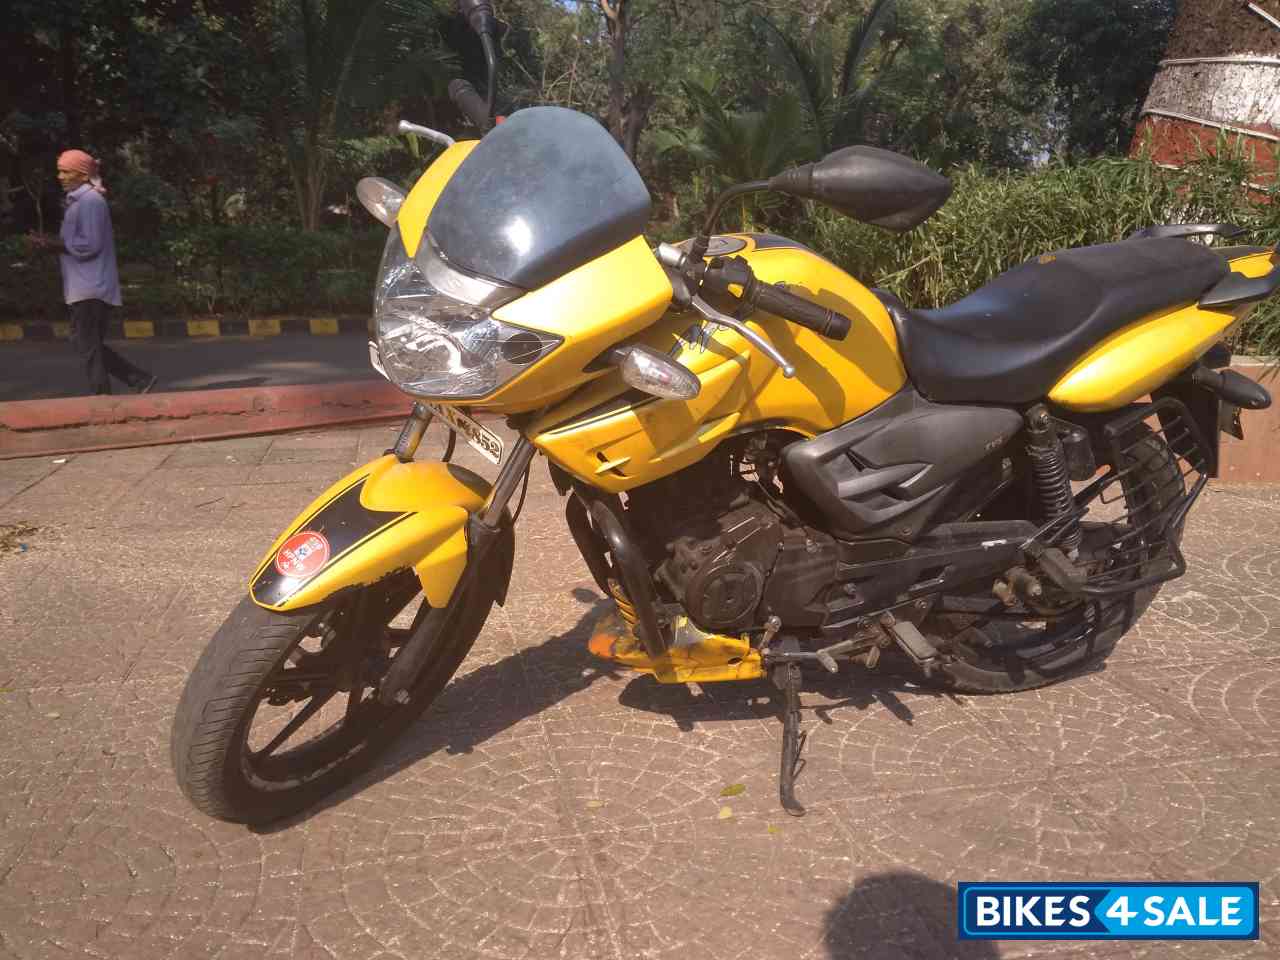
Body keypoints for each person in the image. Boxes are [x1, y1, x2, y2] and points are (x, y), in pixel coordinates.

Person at [29, 150, 156, 395]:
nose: (60, 177)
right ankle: (138, 380)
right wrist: (49, 242)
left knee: (86, 343)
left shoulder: (90, 202)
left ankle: (108, 395)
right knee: (86, 342)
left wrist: (54, 245)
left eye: (66, 172)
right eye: (60, 171)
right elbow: (78, 241)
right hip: (83, 284)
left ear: (82, 174)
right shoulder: (80, 202)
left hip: (91, 285)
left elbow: (91, 244)